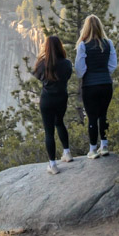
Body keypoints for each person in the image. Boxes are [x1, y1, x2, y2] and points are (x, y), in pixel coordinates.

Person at [75, 14, 117, 159]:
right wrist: (103, 73)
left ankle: (93, 149)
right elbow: (112, 65)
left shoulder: (83, 46)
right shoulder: (108, 43)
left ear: (85, 28)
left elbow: (79, 69)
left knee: (92, 117)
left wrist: (89, 74)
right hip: (106, 84)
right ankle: (104, 145)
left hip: (90, 86)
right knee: (103, 115)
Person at [33, 35, 73, 174]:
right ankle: (67, 153)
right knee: (60, 122)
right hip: (62, 98)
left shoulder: (42, 64)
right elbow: (68, 76)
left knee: (49, 132)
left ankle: (52, 165)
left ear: (46, 47)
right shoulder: (67, 63)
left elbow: (37, 76)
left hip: (47, 99)